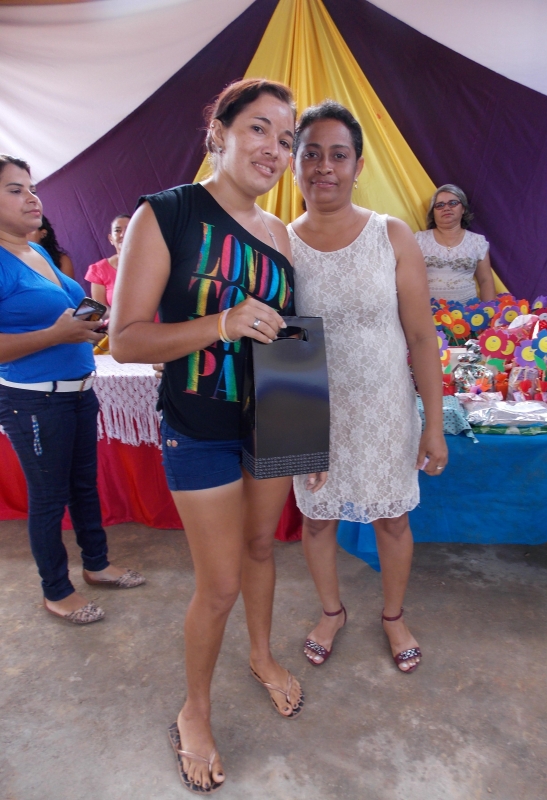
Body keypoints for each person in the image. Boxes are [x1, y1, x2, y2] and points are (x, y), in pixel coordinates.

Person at [110, 79, 301, 794]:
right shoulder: (167, 213)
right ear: (218, 131)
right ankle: (195, 709)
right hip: (198, 424)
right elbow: (127, 340)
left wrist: (308, 431)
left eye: (286, 139)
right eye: (259, 129)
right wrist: (221, 323)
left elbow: (290, 345)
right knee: (218, 585)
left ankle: (261, 654)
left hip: (275, 421)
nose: (275, 150)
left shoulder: (282, 233)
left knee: (261, 548)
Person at [288, 101, 448, 673]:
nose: (324, 167)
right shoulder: (280, 244)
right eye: (311, 154)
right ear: (293, 162)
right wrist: (291, 431)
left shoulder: (392, 235)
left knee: (392, 518)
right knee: (316, 518)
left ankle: (393, 614)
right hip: (314, 411)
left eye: (338, 155)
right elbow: (278, 346)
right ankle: (331, 612)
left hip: (385, 407)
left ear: (358, 165)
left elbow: (422, 338)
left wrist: (434, 424)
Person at [0, 154, 145, 626]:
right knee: (49, 497)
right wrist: (55, 335)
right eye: (15, 189)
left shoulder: (35, 251)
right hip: (34, 399)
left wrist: (90, 323)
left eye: (31, 186)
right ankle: (56, 590)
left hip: (79, 391)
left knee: (84, 486)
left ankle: (97, 564)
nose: (32, 197)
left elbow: (64, 314)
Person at [415, 184, 496, 303]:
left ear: (463, 208)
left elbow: (485, 280)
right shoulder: (418, 240)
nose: (446, 208)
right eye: (440, 205)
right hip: (427, 314)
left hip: (470, 316)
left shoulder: (477, 242)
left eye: (452, 203)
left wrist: (489, 313)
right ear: (433, 212)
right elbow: (408, 279)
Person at [85, 214, 131, 313]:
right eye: (117, 230)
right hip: (123, 328)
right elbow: (100, 312)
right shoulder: (99, 270)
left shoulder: (156, 262)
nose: (123, 234)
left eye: (129, 229)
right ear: (111, 239)